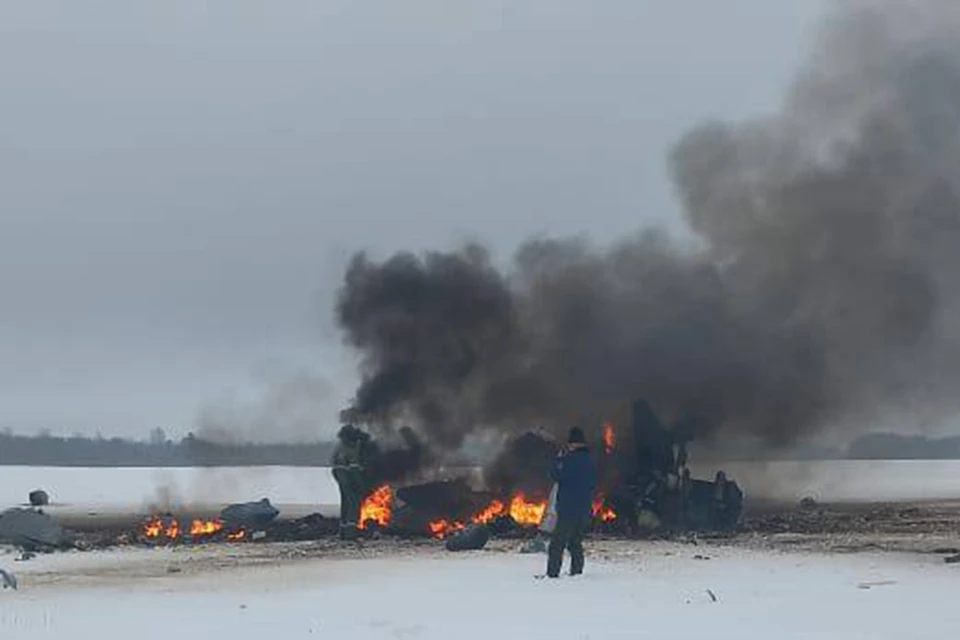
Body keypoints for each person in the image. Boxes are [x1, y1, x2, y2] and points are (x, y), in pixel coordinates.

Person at [546, 426, 598, 578]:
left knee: (557, 544)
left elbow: (555, 474)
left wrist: (559, 459)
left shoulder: (568, 460)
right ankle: (577, 573)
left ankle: (552, 574)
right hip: (585, 509)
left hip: (569, 509)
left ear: (573, 444)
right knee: (575, 543)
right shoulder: (590, 462)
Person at [331, 424, 370, 541]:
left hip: (339, 476)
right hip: (348, 478)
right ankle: (350, 534)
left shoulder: (340, 446)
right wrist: (361, 485)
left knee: (345, 503)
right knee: (354, 504)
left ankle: (343, 532)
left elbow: (335, 466)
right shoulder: (352, 448)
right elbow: (355, 469)